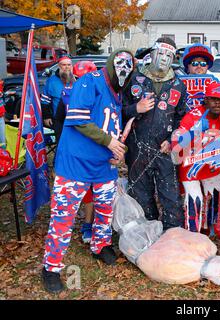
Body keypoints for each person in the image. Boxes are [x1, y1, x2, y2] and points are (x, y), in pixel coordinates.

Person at [41, 49, 135, 293]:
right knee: (64, 217)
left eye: (129, 69)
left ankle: (100, 245)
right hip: (75, 163)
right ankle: (51, 267)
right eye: (120, 67)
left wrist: (117, 150)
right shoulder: (89, 81)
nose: (123, 73)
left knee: (105, 209)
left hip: (103, 166)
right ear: (112, 65)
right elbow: (79, 118)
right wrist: (109, 142)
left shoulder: (118, 91)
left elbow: (110, 124)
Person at [122, 37, 186, 230]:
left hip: (164, 150)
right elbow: (119, 110)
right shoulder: (134, 79)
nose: (164, 58)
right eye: (161, 53)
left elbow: (182, 119)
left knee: (171, 198)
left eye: (169, 55)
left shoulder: (178, 85)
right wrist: (136, 109)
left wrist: (172, 140)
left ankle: (172, 236)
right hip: (137, 148)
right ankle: (145, 236)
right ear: (152, 54)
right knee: (141, 197)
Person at [174, 82, 220, 239]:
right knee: (195, 199)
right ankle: (192, 235)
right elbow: (177, 144)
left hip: (208, 165)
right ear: (206, 100)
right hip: (190, 166)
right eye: (213, 99)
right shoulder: (193, 116)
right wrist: (194, 132)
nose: (217, 103)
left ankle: (212, 225)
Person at [53, 60, 98, 244]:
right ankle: (64, 225)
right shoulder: (67, 93)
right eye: (79, 78)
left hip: (94, 146)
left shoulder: (100, 93)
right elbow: (60, 119)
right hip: (73, 147)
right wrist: (61, 143)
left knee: (92, 187)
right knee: (69, 186)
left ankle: (88, 223)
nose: (83, 82)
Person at [41, 56, 75, 128]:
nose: (67, 67)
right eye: (64, 65)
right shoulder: (51, 81)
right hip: (58, 120)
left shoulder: (77, 80)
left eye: (69, 65)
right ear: (59, 66)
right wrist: (46, 117)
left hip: (75, 119)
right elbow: (45, 101)